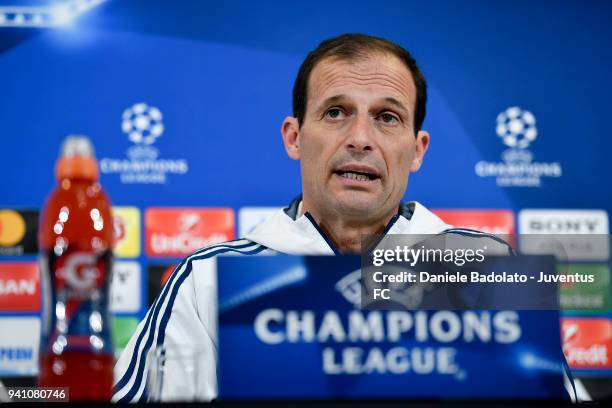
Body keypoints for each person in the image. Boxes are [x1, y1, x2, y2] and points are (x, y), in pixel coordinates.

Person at [111, 33, 525, 402]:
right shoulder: (210, 277)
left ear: (417, 149)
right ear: (294, 137)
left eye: (387, 117)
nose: (360, 139)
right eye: (335, 112)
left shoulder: (487, 270)